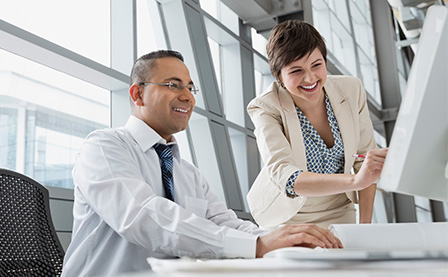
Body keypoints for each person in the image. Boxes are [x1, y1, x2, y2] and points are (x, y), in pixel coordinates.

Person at [61, 50, 343, 276]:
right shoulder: (104, 147)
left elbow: (226, 223)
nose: (187, 96)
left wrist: (282, 239)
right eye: (173, 85)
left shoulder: (187, 172)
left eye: (190, 87)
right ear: (137, 94)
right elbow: (143, 216)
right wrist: (257, 245)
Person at [246, 20, 388, 230]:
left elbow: (367, 161)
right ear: (279, 77)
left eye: (316, 65)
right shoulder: (265, 107)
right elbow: (285, 175)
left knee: (345, 260)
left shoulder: (351, 90)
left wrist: (365, 228)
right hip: (288, 214)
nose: (310, 78)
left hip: (339, 208)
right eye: (296, 71)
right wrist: (356, 181)